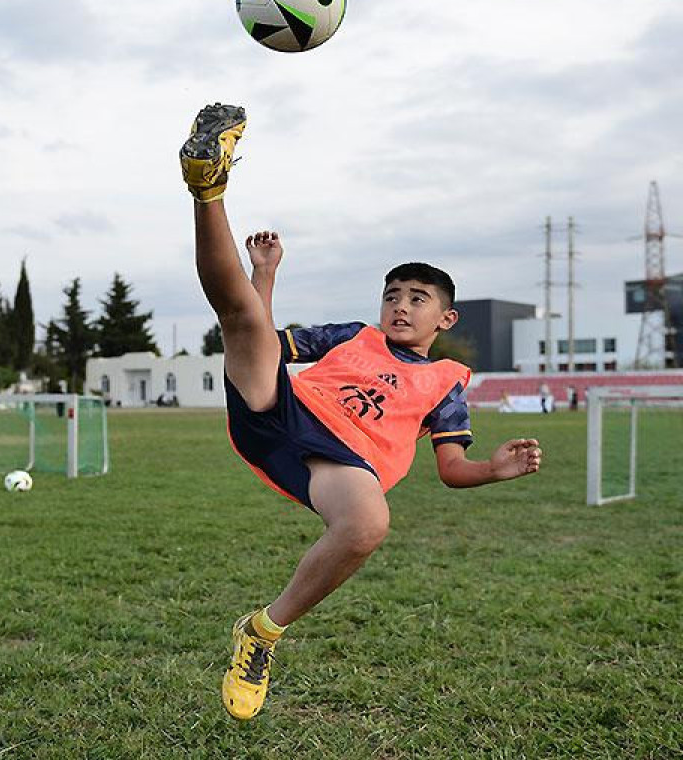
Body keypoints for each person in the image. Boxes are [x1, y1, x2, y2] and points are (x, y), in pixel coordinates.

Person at [179, 103, 543, 721]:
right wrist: (264, 274)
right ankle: (207, 184)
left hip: (344, 460)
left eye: (417, 299)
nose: (401, 306)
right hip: (280, 407)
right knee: (239, 318)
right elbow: (263, 336)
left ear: (444, 318)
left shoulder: (447, 380)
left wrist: (494, 469)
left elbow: (451, 467)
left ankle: (262, 634)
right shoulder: (352, 335)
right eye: (393, 295)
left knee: (368, 524)